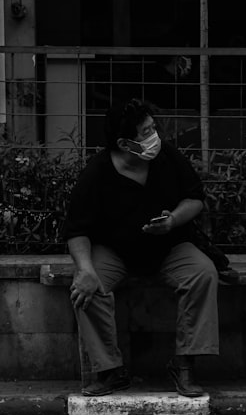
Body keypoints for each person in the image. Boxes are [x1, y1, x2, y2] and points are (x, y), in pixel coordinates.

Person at [63, 98, 219, 397]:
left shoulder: (168, 158)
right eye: (146, 131)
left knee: (204, 273)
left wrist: (172, 221)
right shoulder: (96, 174)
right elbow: (76, 230)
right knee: (87, 288)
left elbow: (195, 198)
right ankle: (109, 370)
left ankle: (184, 364)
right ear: (125, 142)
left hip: (168, 248)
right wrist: (85, 269)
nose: (154, 136)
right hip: (114, 252)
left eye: (153, 128)